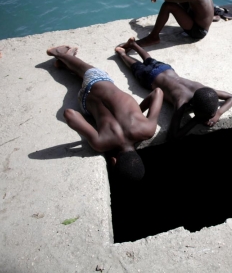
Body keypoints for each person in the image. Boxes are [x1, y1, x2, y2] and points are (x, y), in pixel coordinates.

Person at [46, 46, 164, 181]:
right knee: (84, 78)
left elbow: (158, 92)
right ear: (113, 161)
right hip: (84, 101)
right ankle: (64, 59)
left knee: (89, 72)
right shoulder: (100, 143)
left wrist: (136, 111)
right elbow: (70, 113)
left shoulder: (147, 130)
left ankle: (62, 55)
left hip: (99, 81)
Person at [115, 38, 232, 140]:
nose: (209, 118)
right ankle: (122, 53)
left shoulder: (205, 91)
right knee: (135, 66)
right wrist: (195, 120)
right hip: (149, 77)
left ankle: (134, 44)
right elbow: (172, 135)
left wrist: (219, 113)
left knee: (149, 60)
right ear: (194, 108)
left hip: (166, 69)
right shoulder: (181, 102)